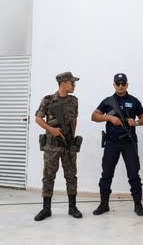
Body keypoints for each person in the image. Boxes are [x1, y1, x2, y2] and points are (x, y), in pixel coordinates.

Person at [91, 73, 143, 216]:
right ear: (114, 85)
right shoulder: (107, 101)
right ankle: (104, 204)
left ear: (127, 85)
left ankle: (138, 204)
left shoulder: (134, 101)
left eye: (123, 83)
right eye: (118, 83)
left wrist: (135, 122)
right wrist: (109, 118)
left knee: (134, 174)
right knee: (106, 174)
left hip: (129, 142)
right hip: (112, 143)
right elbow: (94, 116)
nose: (121, 86)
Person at [34, 72, 82, 221]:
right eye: (72, 82)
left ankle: (72, 207)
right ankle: (46, 209)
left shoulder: (74, 101)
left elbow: (74, 120)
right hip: (52, 146)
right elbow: (38, 119)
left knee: (71, 176)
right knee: (48, 176)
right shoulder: (48, 100)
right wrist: (52, 130)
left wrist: (71, 137)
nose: (74, 85)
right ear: (63, 83)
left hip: (68, 146)